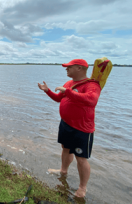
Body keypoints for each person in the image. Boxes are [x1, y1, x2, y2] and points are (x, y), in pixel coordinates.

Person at [38, 59, 101, 198]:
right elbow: (59, 98)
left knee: (81, 158)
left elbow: (91, 100)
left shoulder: (92, 85)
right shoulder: (69, 84)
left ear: (79, 68)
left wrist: (68, 91)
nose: (66, 69)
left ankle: (82, 188)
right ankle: (63, 171)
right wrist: (47, 91)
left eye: (69, 67)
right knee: (65, 149)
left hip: (82, 129)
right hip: (66, 124)